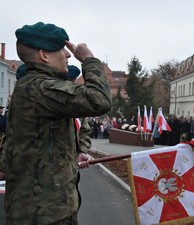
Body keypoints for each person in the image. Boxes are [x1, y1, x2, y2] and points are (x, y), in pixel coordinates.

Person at [1, 22, 112, 225]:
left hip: (44, 208)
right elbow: (100, 100)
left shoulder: (33, 86)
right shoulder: (41, 88)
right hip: (45, 213)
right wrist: (89, 60)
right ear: (44, 55)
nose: (68, 55)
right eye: (61, 49)